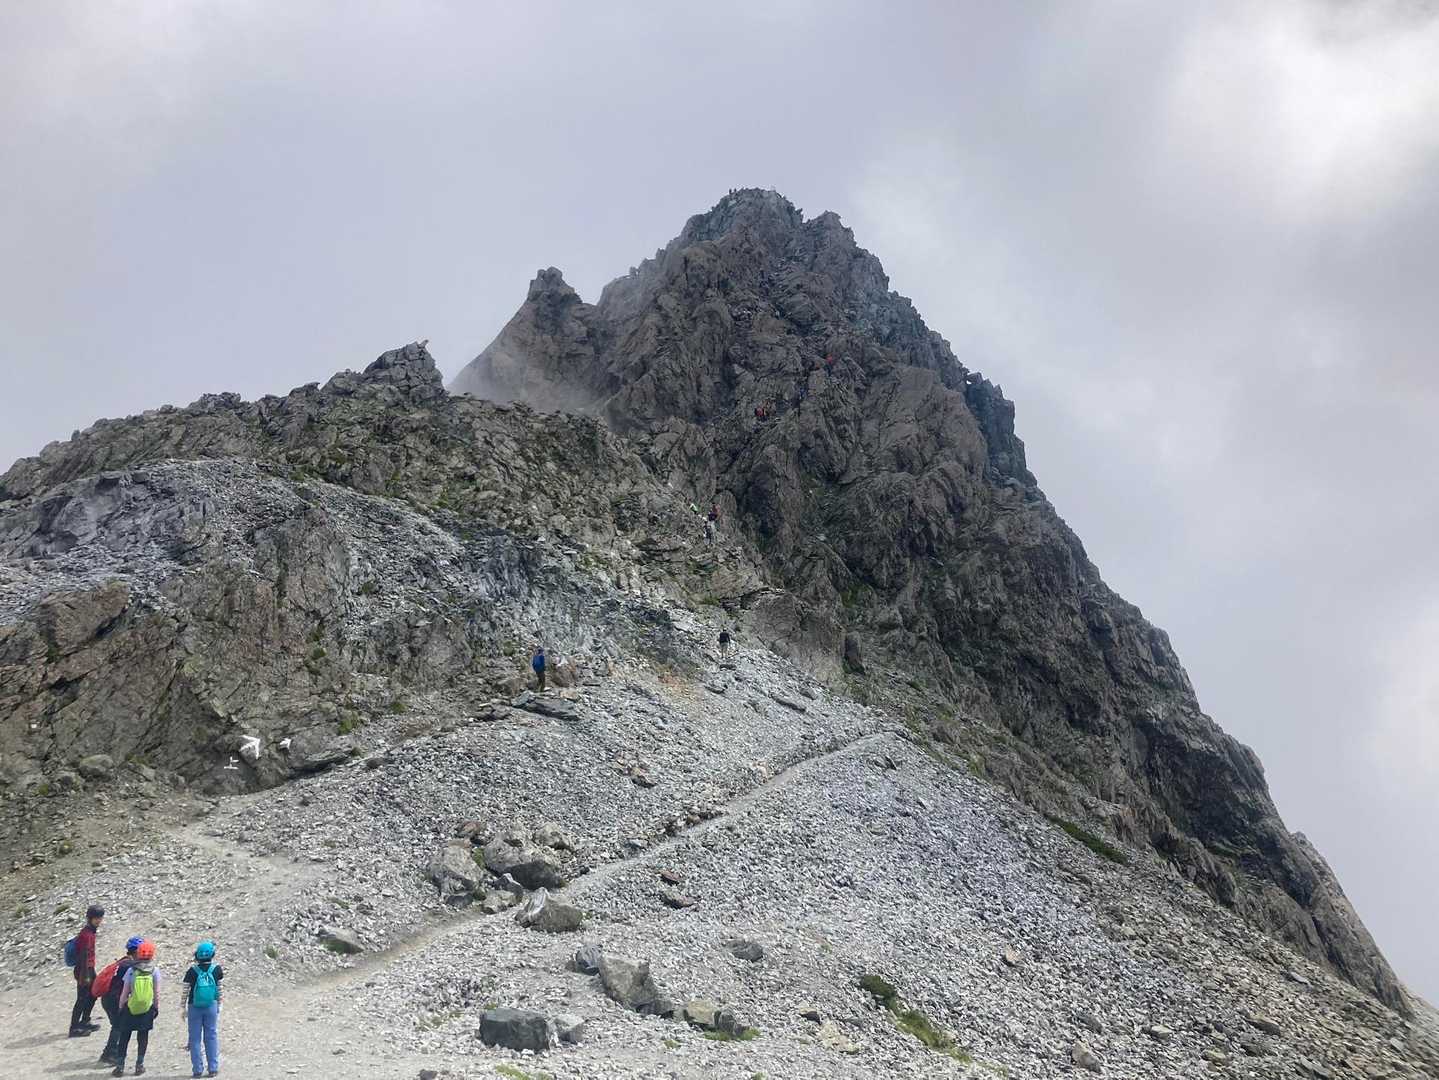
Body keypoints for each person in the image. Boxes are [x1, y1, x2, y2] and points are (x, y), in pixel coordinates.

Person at [113, 939, 159, 1076]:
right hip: (146, 1008)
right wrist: (156, 1007)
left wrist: (121, 1007)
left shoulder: (131, 971)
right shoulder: (155, 971)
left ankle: (120, 1066)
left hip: (130, 1007)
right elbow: (156, 993)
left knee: (124, 1037)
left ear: (138, 954)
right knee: (143, 1037)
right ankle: (139, 1065)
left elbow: (125, 992)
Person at [95, 937, 142, 1065]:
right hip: (115, 999)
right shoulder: (130, 966)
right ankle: (109, 1054)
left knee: (117, 1025)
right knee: (119, 1026)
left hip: (107, 999)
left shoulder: (122, 962)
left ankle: (109, 1052)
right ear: (136, 951)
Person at [183, 940, 223, 1078]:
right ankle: (213, 1068)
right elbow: (219, 989)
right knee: (211, 1036)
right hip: (211, 1005)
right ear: (212, 954)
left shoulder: (192, 971)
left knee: (194, 1038)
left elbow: (185, 991)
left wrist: (183, 1007)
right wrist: (220, 1004)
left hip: (194, 1006)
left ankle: (197, 1069)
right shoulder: (217, 969)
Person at [68, 904, 105, 1037]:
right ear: (90, 918)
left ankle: (85, 1021)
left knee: (93, 995)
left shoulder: (89, 932)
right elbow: (84, 955)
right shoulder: (87, 935)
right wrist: (85, 976)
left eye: (100, 918)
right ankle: (74, 1028)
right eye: (96, 918)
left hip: (88, 969)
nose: (99, 920)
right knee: (82, 998)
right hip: (84, 971)